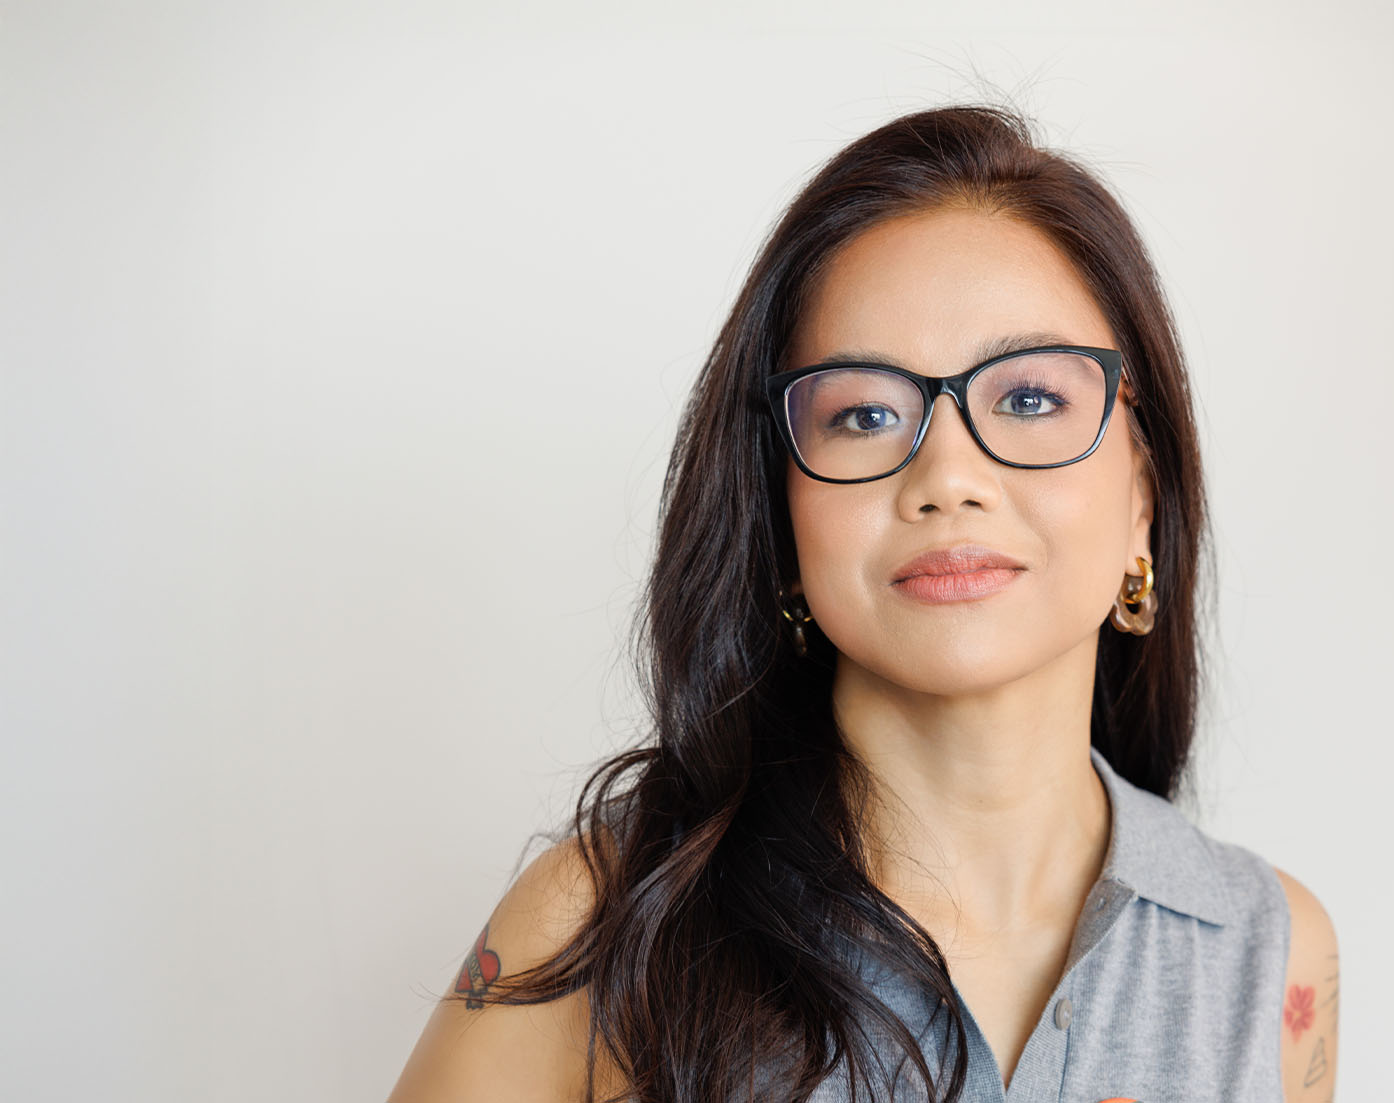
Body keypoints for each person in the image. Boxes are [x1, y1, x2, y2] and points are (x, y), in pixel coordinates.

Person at [388, 102, 1340, 1103]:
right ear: (780, 511)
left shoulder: (1270, 950)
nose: (948, 475)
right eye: (864, 413)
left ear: (1141, 498)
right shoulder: (601, 921)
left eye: (1028, 398)